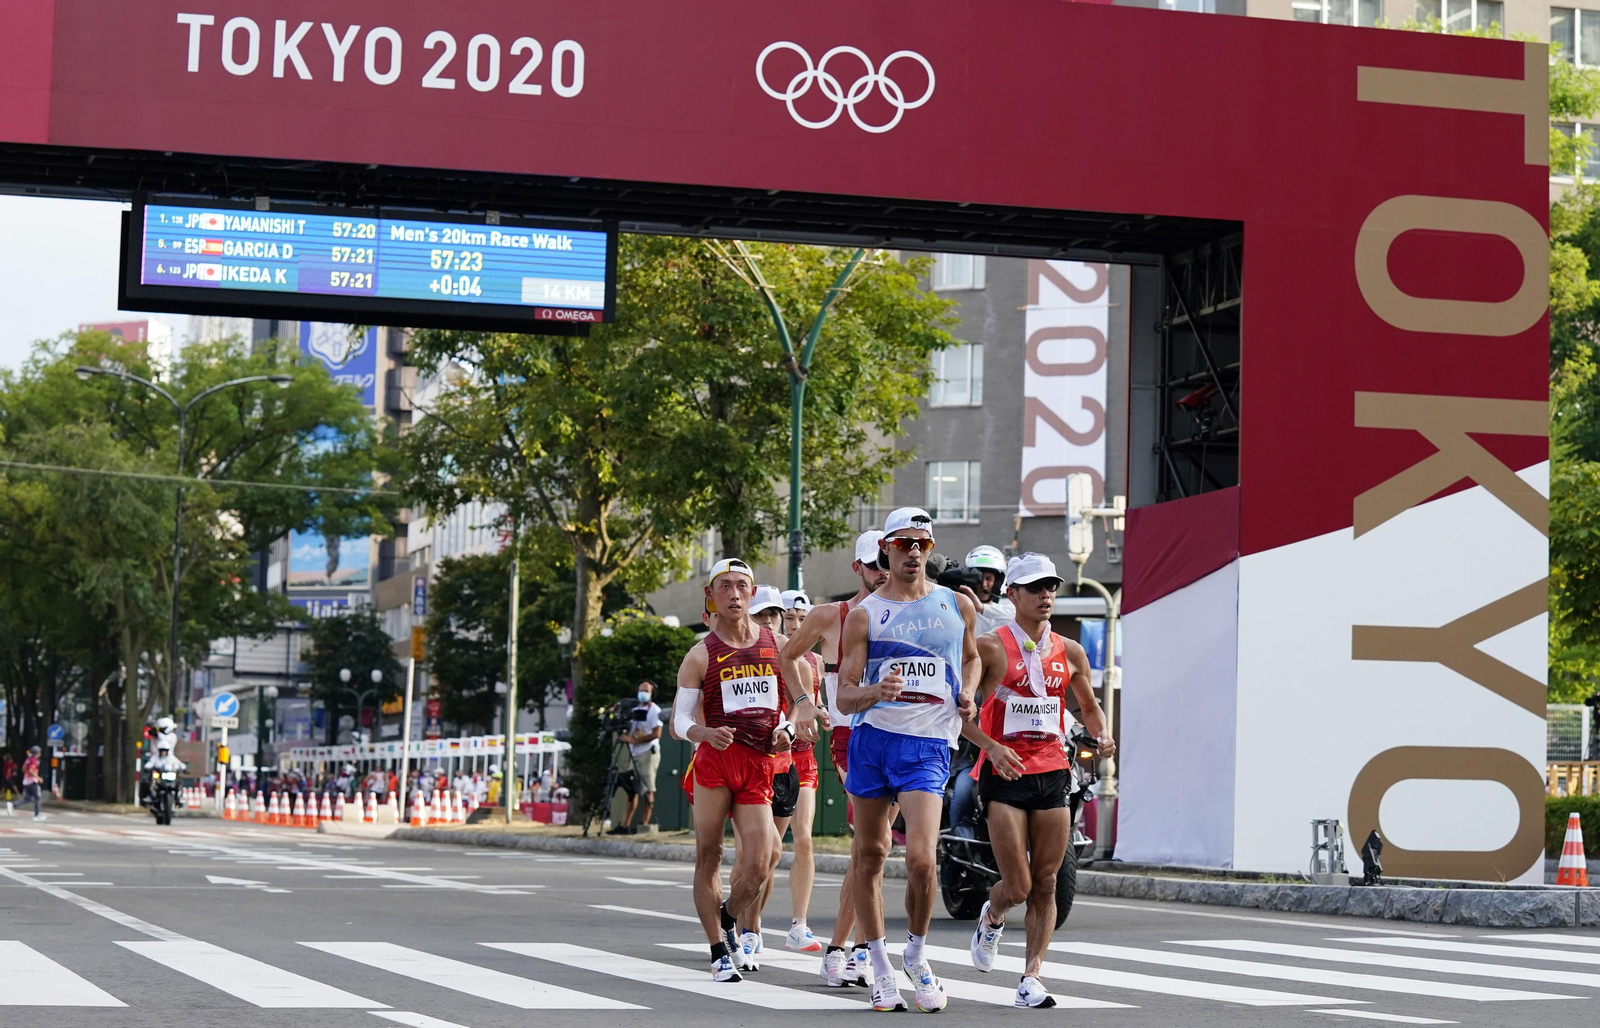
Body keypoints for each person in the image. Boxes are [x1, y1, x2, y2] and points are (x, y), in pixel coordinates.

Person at [836, 507, 980, 1012]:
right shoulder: (864, 615)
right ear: (887, 551)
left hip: (928, 746)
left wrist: (970, 693)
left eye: (922, 543)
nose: (914, 552)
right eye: (904, 544)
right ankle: (879, 968)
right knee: (870, 856)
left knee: (921, 860)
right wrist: (877, 689)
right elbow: (844, 697)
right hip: (874, 741)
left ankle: (916, 957)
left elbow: (971, 657)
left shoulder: (956, 603)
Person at [961, 552, 1115, 1007]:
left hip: (1052, 771)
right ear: (1013, 594)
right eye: (1035, 587)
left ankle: (1031, 977)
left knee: (1047, 882)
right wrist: (990, 745)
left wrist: (1103, 735)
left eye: (1051, 586)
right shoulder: (989, 646)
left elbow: (1089, 705)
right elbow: (959, 713)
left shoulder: (1070, 650)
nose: (1047, 595)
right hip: (1004, 773)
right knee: (1019, 886)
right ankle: (993, 913)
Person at [670, 558, 818, 983]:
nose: (734, 594)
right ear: (712, 597)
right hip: (716, 764)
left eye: (741, 586)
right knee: (710, 855)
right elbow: (678, 722)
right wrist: (704, 731)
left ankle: (728, 915)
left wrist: (787, 728)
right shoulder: (700, 654)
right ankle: (718, 950)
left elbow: (799, 701)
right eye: (725, 587)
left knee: (760, 862)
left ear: (751, 594)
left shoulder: (779, 645)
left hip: (758, 765)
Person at [780, 529, 889, 988]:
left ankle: (844, 949)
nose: (883, 571)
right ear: (857, 568)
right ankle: (855, 949)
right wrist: (805, 700)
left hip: (902, 736)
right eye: (874, 563)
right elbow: (788, 656)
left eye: (890, 559)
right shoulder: (830, 616)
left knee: (871, 853)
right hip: (850, 736)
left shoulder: (914, 615)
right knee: (872, 845)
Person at [621, 680, 663, 832]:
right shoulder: (635, 709)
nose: (643, 693)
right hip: (635, 753)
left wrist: (635, 740)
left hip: (647, 752)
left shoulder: (654, 711)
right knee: (632, 789)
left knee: (647, 789)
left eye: (646, 690)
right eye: (640, 690)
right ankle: (625, 824)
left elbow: (657, 734)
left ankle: (644, 824)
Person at [962, 544, 1016, 635]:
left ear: (997, 582)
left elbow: (1020, 617)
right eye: (979, 578)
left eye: (989, 579)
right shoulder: (961, 609)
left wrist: (981, 608)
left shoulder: (1006, 609)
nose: (984, 585)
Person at [21, 745, 45, 821]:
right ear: (36, 753)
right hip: (32, 781)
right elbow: (31, 770)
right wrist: (38, 778)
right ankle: (37, 815)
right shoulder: (34, 760)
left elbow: (23, 769)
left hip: (26, 781)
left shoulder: (28, 759)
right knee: (37, 797)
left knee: (27, 798)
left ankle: (13, 805)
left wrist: (27, 775)